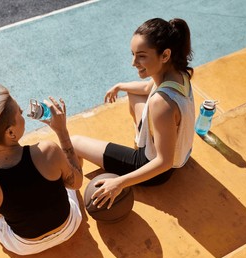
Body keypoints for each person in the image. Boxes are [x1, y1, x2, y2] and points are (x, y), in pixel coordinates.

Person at [71, 18, 195, 209]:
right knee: (133, 93)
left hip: (154, 169)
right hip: (182, 153)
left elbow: (164, 162)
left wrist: (119, 182)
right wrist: (119, 86)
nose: (133, 63)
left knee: (74, 143)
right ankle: (141, 141)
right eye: (133, 55)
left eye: (142, 56)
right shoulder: (179, 73)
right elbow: (147, 88)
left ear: (165, 55)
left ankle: (71, 192)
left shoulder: (161, 104)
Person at [0, 83, 83, 255]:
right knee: (66, 162)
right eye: (19, 113)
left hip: (25, 246)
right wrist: (62, 131)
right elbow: (76, 184)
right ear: (11, 133)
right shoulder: (48, 152)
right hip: (70, 226)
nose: (23, 115)